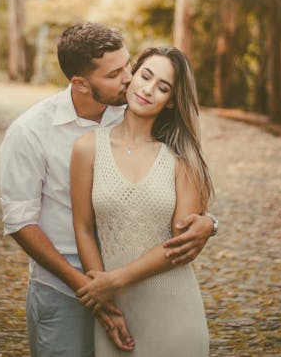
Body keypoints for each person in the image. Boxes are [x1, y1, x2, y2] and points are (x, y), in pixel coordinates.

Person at [0, 24, 216, 357]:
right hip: (63, 287)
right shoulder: (29, 132)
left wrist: (209, 223)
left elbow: (176, 176)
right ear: (81, 83)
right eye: (116, 74)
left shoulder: (132, 106)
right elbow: (19, 222)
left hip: (136, 285)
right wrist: (90, 288)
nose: (129, 78)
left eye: (129, 65)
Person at [70, 45, 214, 356]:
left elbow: (180, 247)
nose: (148, 89)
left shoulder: (181, 159)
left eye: (163, 87)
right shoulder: (87, 148)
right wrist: (102, 299)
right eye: (145, 76)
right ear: (132, 76)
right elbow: (82, 228)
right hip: (114, 309)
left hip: (173, 311)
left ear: (173, 101)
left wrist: (114, 280)